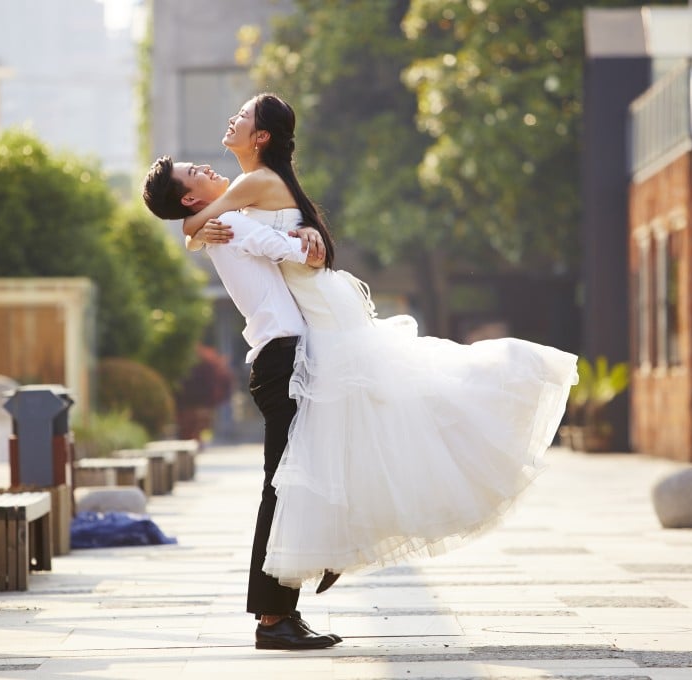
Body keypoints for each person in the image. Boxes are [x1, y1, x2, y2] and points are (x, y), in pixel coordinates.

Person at [176, 93, 579, 589]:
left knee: (363, 424)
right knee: (359, 428)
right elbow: (197, 223)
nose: (231, 118)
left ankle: (338, 546)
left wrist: (198, 233)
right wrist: (201, 234)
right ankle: (340, 543)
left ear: (260, 137)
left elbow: (194, 220)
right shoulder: (260, 183)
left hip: (322, 313)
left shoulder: (253, 181)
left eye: (242, 115)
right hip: (322, 306)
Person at [142, 157, 340, 651]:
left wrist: (193, 230)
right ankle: (273, 617)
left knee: (293, 481)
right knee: (282, 488)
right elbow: (297, 255)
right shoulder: (229, 222)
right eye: (195, 171)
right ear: (191, 197)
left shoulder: (220, 222)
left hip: (283, 359)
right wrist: (308, 238)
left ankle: (286, 606)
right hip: (282, 361)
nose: (206, 167)